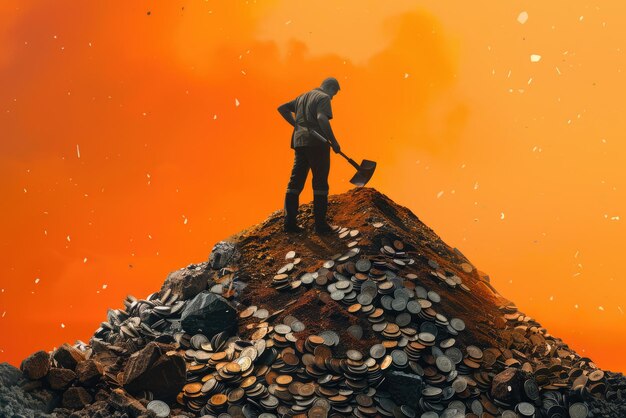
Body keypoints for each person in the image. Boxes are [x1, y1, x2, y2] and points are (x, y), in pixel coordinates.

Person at [277, 77, 342, 234]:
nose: (332, 97)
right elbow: (321, 118)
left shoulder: (302, 97)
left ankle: (289, 224)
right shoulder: (323, 97)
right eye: (334, 93)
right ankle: (320, 226)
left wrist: (297, 125)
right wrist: (334, 141)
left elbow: (282, 108)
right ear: (331, 88)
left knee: (295, 181)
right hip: (317, 143)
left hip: (299, 142)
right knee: (320, 182)